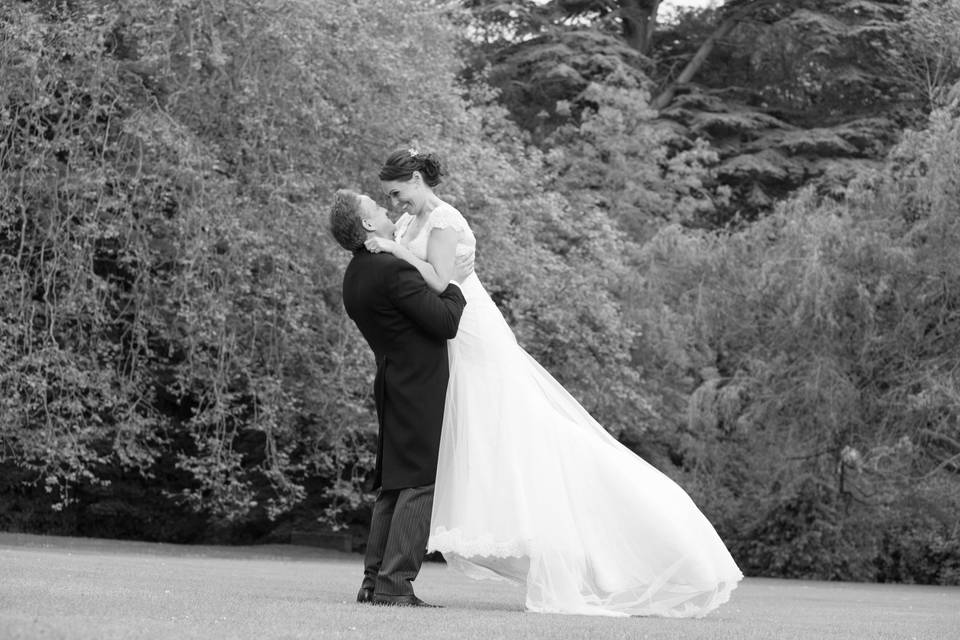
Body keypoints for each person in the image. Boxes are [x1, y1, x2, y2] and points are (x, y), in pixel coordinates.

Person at [364, 149, 744, 618]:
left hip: (471, 340)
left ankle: (629, 536)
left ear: (417, 179)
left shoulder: (443, 221)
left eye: (397, 192)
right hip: (439, 348)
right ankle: (390, 574)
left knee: (529, 439)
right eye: (389, 198)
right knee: (464, 451)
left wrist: (397, 251)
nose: (395, 203)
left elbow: (442, 283)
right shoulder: (405, 225)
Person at [329, 188, 468, 608]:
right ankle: (395, 585)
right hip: (419, 385)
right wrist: (456, 284)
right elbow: (445, 321)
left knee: (392, 484)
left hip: (391, 381)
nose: (385, 207)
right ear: (369, 224)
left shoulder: (355, 275)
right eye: (375, 206)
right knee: (418, 484)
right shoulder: (392, 270)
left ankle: (373, 581)